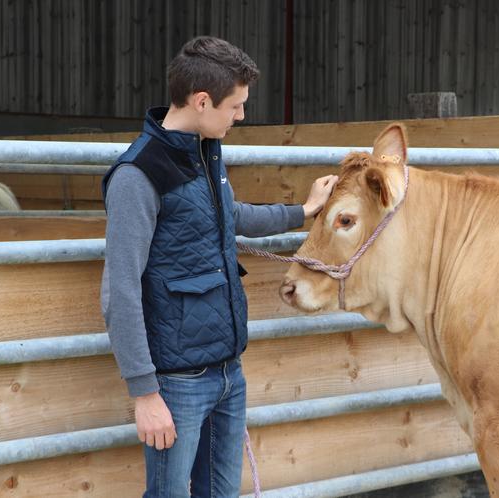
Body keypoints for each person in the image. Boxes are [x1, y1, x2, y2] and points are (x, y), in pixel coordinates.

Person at [100, 36, 337, 498]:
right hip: (177, 382)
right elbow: (120, 290)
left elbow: (232, 215)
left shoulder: (205, 153)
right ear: (202, 100)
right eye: (236, 105)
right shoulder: (138, 175)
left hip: (228, 370)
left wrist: (303, 211)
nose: (241, 116)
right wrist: (145, 394)